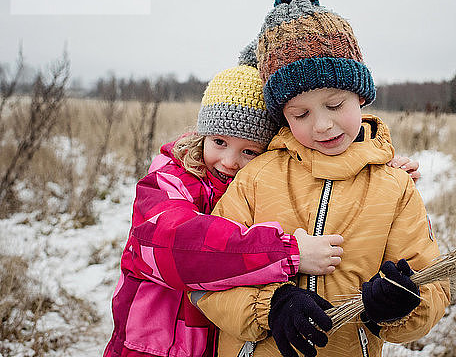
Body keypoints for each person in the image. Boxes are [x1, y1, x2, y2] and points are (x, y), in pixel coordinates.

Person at [190, 0, 450, 357]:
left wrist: (402, 305)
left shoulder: (394, 187)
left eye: (334, 104)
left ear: (361, 95)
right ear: (282, 115)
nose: (323, 126)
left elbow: (433, 287)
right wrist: (270, 305)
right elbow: (205, 276)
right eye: (301, 114)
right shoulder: (256, 178)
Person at [104, 50, 420, 357]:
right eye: (219, 142)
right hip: (153, 347)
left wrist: (375, 170)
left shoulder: (255, 187)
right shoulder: (170, 181)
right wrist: (289, 253)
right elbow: (171, 245)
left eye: (249, 152)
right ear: (202, 135)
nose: (228, 161)